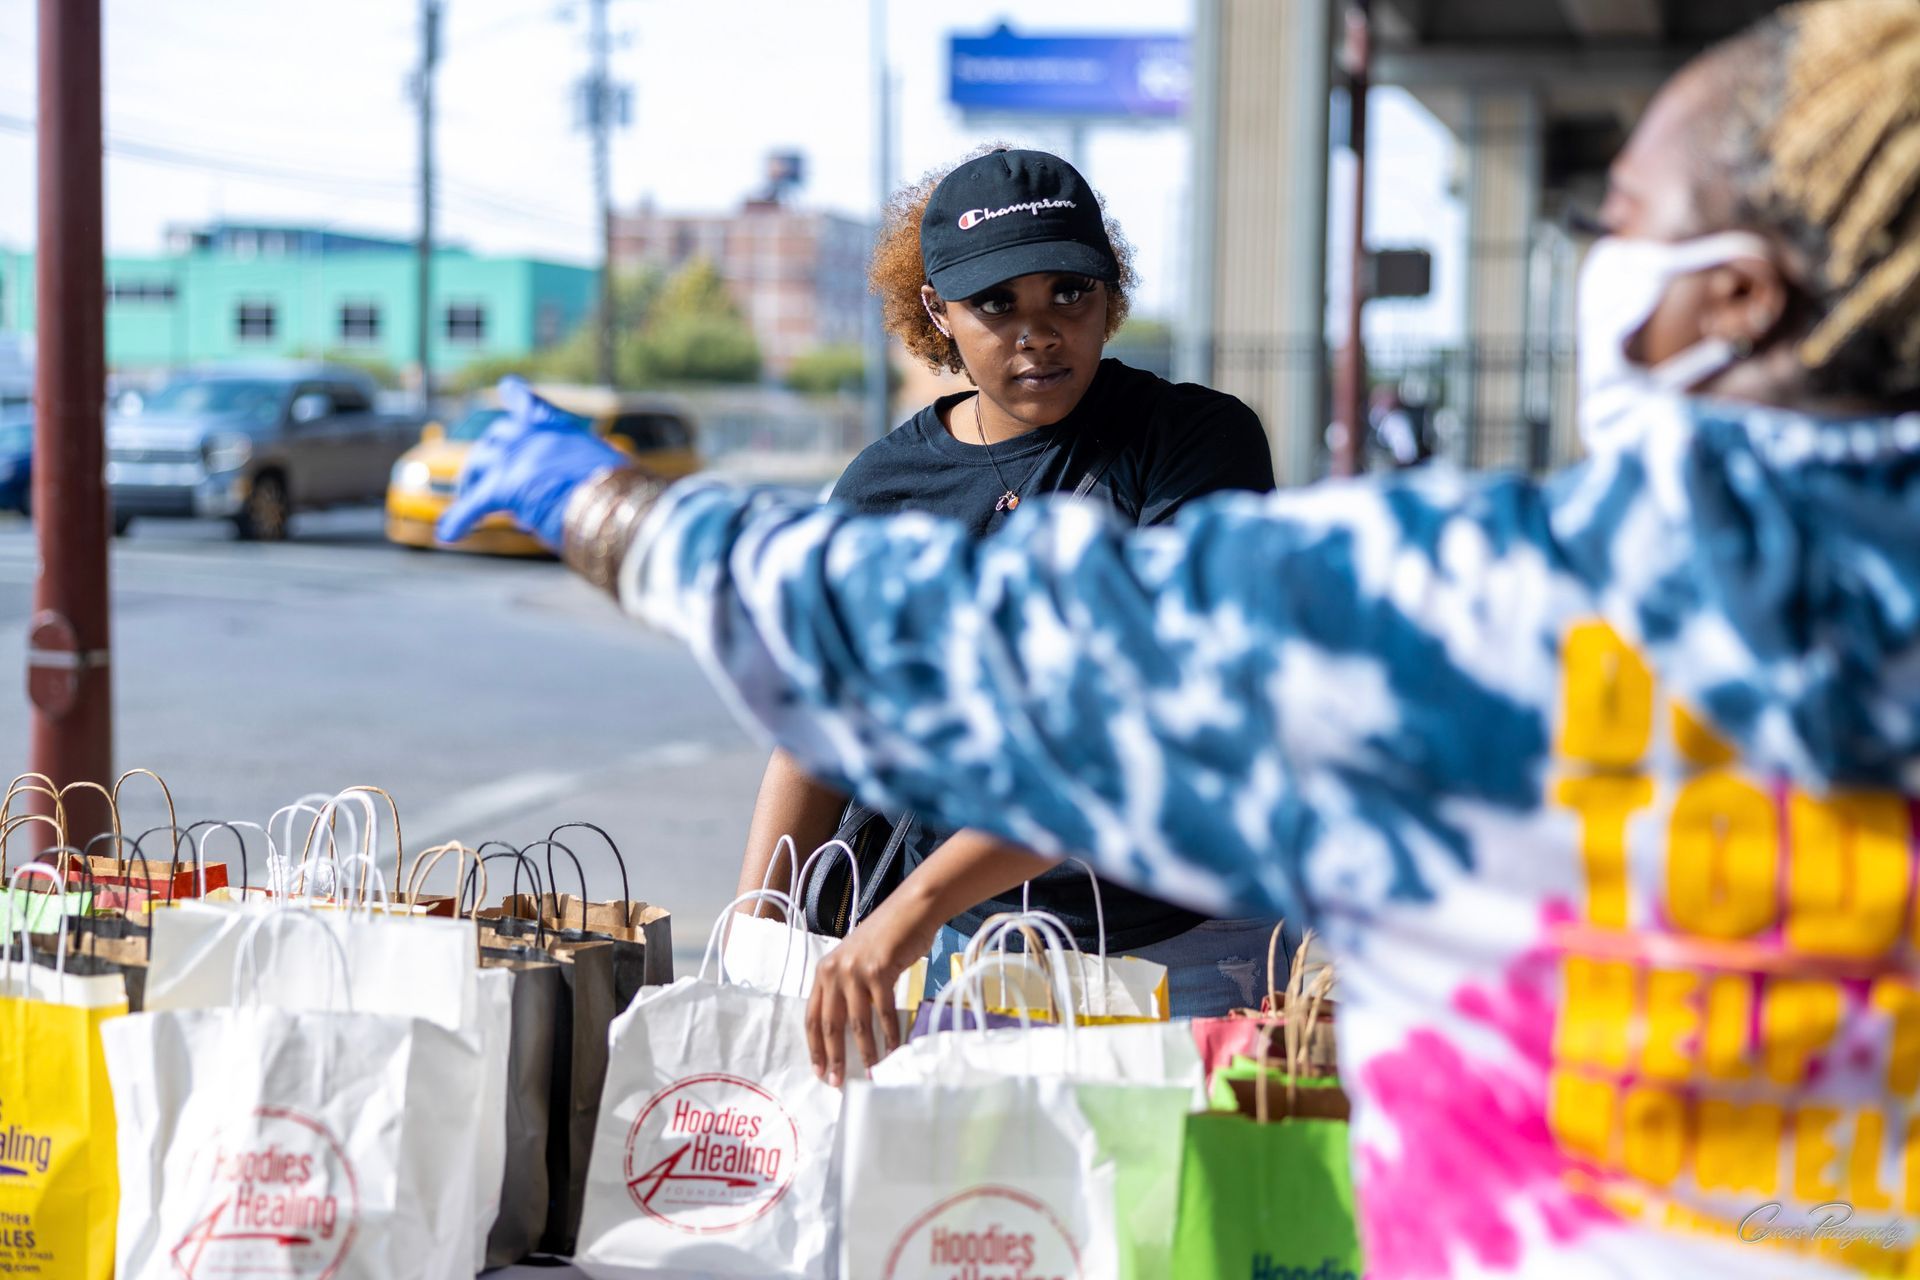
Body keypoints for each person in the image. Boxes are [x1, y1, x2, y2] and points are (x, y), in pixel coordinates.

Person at [438, 1, 1920, 1273]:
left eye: (1617, 223)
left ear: (1733, 296)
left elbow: (1053, 671)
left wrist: (625, 520)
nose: (1038, 328)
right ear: (936, 319)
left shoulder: (1500, 607)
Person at [733, 147, 1283, 1059]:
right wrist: (754, 944)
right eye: (996, 304)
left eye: (1069, 291)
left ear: (1112, 296)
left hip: (1186, 951)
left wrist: (909, 910)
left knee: (1158, 1201)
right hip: (968, 950)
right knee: (972, 1199)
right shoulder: (884, 488)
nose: (1039, 332)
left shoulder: (1194, 443)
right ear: (936, 313)